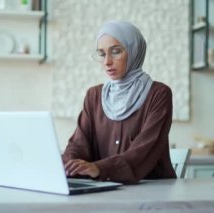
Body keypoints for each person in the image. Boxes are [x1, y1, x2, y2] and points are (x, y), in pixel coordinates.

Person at [62, 20, 176, 184]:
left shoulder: (158, 94)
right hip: (106, 190)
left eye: (115, 52)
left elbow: (143, 150)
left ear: (134, 51)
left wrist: (100, 169)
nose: (107, 61)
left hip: (152, 191)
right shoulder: (94, 95)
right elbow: (78, 144)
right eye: (101, 54)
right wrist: (69, 164)